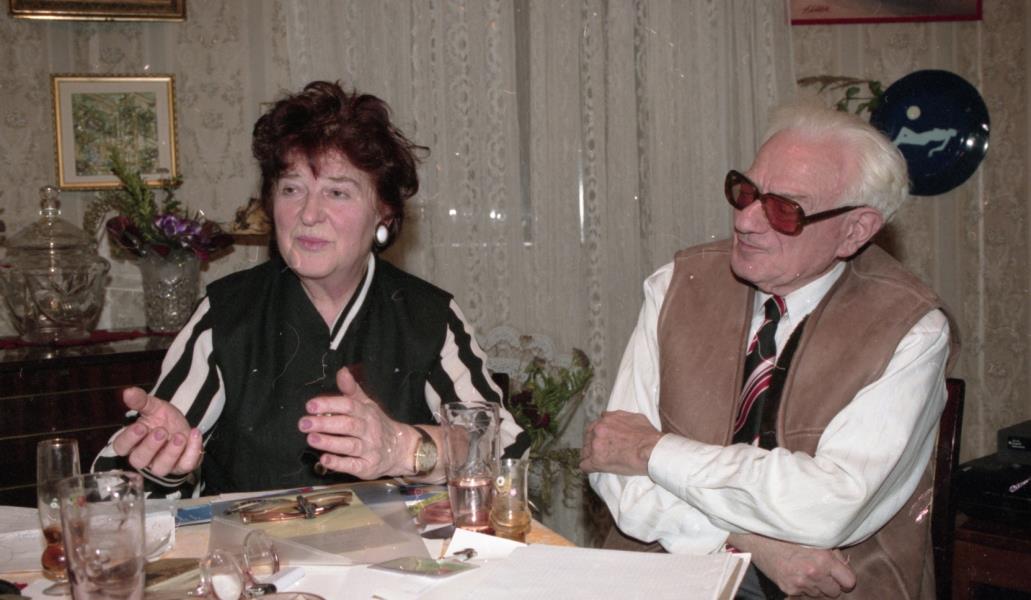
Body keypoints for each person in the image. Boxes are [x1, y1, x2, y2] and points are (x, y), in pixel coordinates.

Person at [581, 103, 959, 599]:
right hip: (669, 574)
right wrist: (747, 543)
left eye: (784, 209)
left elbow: (828, 507)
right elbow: (614, 468)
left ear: (856, 230)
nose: (746, 220)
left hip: (835, 585)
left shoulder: (911, 328)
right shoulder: (677, 284)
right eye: (745, 192)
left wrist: (653, 451)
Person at [95, 81, 528, 495]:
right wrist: (162, 461)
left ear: (384, 213)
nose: (308, 214)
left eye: (337, 193)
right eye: (291, 189)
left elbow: (507, 452)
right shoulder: (228, 313)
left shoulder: (427, 318)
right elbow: (114, 479)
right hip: (252, 547)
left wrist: (405, 448)